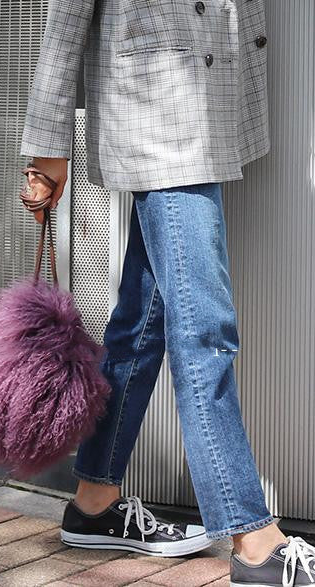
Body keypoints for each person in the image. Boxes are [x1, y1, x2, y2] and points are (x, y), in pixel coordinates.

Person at [19, 1, 315, 585]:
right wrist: (48, 144)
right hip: (155, 107)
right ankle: (252, 539)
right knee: (204, 330)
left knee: (143, 320)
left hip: (203, 103)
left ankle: (95, 500)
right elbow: (65, 18)